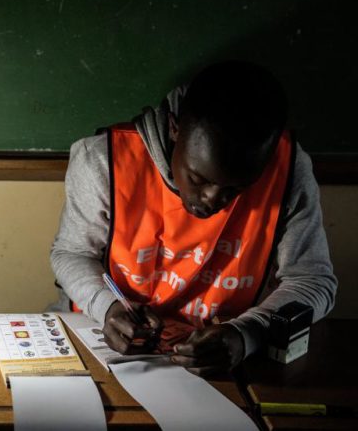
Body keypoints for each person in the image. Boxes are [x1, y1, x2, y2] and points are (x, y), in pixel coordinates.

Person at [51, 61, 337, 375]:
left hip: (218, 360)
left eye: (237, 188)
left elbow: (314, 282)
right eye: (198, 178)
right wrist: (108, 307)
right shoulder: (105, 161)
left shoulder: (288, 169)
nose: (212, 200)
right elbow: (71, 254)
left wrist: (248, 333)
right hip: (101, 341)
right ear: (175, 129)